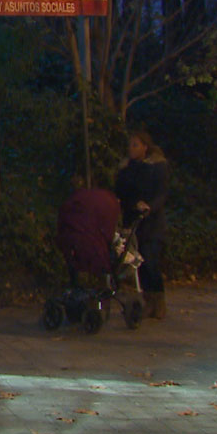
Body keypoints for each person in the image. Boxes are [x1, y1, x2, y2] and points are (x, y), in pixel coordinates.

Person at [113, 130, 171, 319]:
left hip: (151, 222)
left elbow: (161, 193)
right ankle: (148, 300)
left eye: (135, 145)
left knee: (151, 261)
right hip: (133, 220)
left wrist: (149, 207)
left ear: (145, 147)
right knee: (139, 263)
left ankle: (157, 301)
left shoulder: (157, 167)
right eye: (130, 145)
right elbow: (121, 192)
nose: (131, 149)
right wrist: (132, 204)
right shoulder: (126, 168)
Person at [56, 176, 122, 289]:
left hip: (70, 242)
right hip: (92, 249)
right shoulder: (109, 202)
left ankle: (76, 286)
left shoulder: (79, 199)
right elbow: (108, 234)